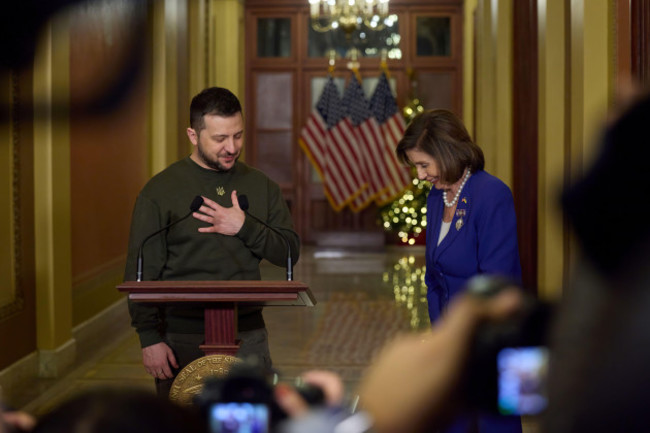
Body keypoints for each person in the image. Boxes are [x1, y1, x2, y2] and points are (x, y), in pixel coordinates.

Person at [124, 87, 300, 398]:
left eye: (238, 136)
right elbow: (141, 272)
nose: (231, 147)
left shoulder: (262, 186)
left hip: (248, 332)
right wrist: (149, 339)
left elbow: (289, 252)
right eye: (220, 139)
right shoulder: (159, 191)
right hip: (180, 334)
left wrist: (243, 226)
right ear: (193, 135)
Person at [395, 109, 522, 433]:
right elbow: (433, 277)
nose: (420, 175)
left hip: (490, 342)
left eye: (424, 165)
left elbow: (495, 284)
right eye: (416, 167)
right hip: (451, 344)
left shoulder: (491, 194)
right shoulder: (437, 198)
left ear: (447, 152)